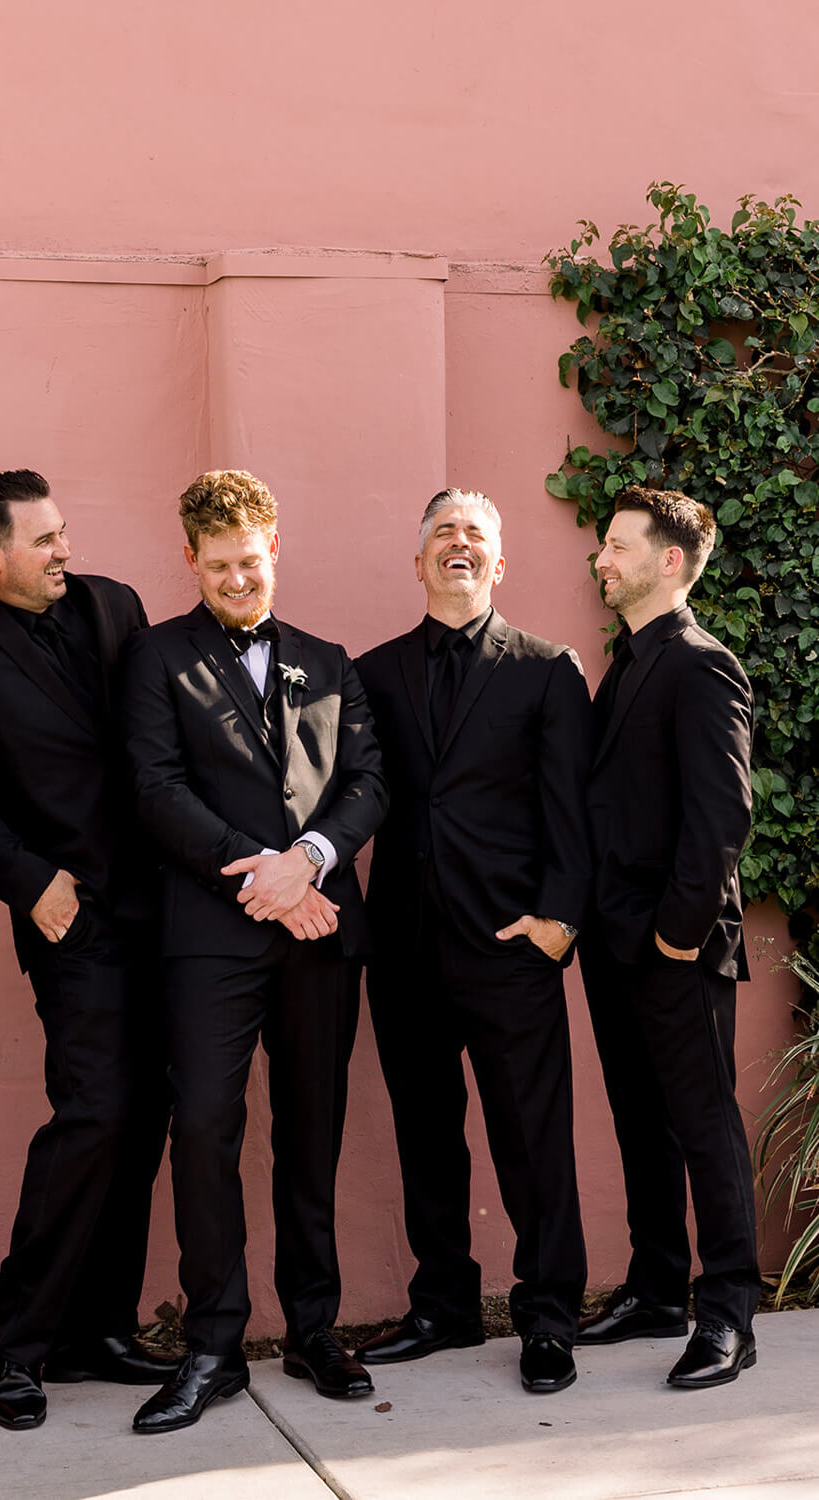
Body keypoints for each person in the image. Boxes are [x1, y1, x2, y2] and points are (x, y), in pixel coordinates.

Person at [122, 470, 387, 1432]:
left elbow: (365, 780)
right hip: (209, 935)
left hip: (320, 929)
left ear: (275, 547)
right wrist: (264, 882)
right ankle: (213, 1345)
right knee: (201, 1127)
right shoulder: (154, 659)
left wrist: (309, 862)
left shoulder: (329, 658)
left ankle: (314, 1328)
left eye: (253, 559)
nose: (240, 578)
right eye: (220, 564)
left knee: (312, 1127)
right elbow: (153, 790)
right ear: (190, 559)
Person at [0, 470, 178, 1431]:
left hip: (169, 908)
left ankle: (98, 1331)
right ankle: (18, 1347)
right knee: (95, 1111)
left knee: (148, 1110)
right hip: (72, 921)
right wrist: (32, 882)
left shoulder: (118, 604)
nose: (64, 550)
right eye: (43, 541)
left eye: (64, 532)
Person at [355, 488, 591, 1395]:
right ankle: (442, 1306)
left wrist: (558, 922)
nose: (459, 544)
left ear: (499, 563)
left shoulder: (546, 668)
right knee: (426, 1136)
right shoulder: (369, 673)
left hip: (510, 945)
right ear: (418, 562)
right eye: (443, 533)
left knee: (533, 1138)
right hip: (406, 947)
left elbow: (572, 809)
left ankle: (546, 1318)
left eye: (475, 535)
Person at [576, 486, 760, 1388]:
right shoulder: (629, 659)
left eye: (616, 545)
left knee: (701, 1125)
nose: (601, 559)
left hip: (674, 948)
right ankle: (655, 1290)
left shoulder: (700, 663)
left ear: (669, 561)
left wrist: (677, 939)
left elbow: (721, 816)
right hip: (616, 947)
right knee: (640, 1125)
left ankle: (727, 1312)